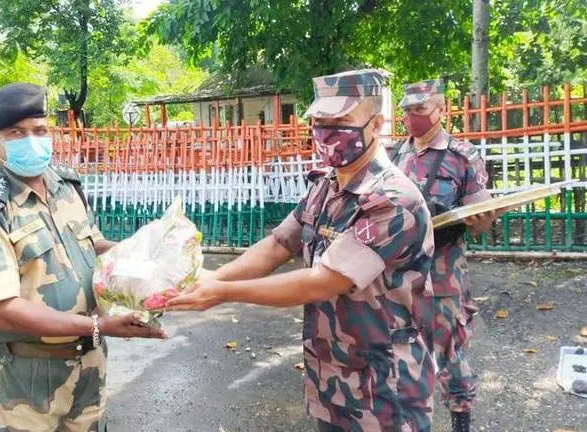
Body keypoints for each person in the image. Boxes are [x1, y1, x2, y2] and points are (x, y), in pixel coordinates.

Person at [165, 70, 436, 432]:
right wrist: (213, 277)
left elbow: (322, 282)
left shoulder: (391, 199)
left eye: (340, 122)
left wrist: (222, 292)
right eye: (320, 122)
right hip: (332, 376)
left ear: (376, 125)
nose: (327, 133)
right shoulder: (325, 186)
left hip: (385, 385)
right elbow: (279, 244)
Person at [0, 83, 166, 432]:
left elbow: (91, 245)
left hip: (89, 364)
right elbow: (0, 311)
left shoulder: (65, 186)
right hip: (26, 375)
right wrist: (99, 326)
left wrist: (151, 258)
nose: (31, 140)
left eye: (39, 131)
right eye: (16, 133)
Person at [388, 79, 496, 432]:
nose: (411, 117)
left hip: (444, 275)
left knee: (450, 352)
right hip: (400, 274)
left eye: (419, 110)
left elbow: (480, 221)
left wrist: (479, 217)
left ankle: (460, 418)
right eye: (406, 111)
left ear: (441, 110)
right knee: (399, 348)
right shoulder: (392, 157)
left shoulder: (463, 157)